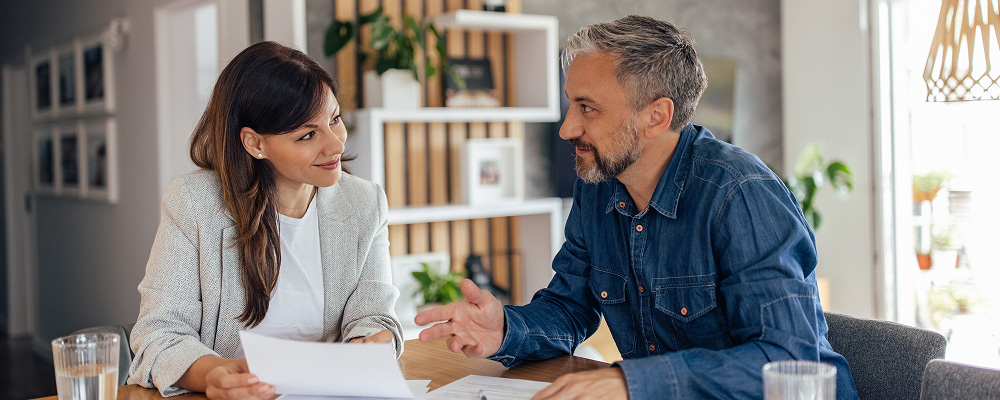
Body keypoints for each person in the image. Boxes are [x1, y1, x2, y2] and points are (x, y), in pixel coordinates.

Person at [415, 16, 860, 400]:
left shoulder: (740, 194)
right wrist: (505, 330)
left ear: (656, 116)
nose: (568, 127)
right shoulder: (598, 186)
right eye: (571, 103)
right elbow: (570, 307)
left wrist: (631, 382)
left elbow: (790, 362)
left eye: (588, 108)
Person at [128, 41, 402, 399]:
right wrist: (215, 375)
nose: (336, 145)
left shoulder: (365, 203)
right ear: (255, 143)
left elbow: (375, 315)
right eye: (307, 134)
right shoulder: (194, 203)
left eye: (334, 119)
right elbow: (157, 336)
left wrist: (369, 342)